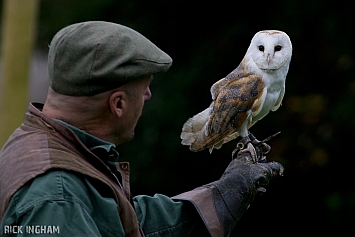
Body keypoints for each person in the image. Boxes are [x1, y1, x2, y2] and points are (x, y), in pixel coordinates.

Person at [0, 21, 283, 237]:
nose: (148, 96)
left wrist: (221, 197)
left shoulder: (51, 145)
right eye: (144, 88)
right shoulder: (56, 199)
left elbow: (122, 223)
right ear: (118, 104)